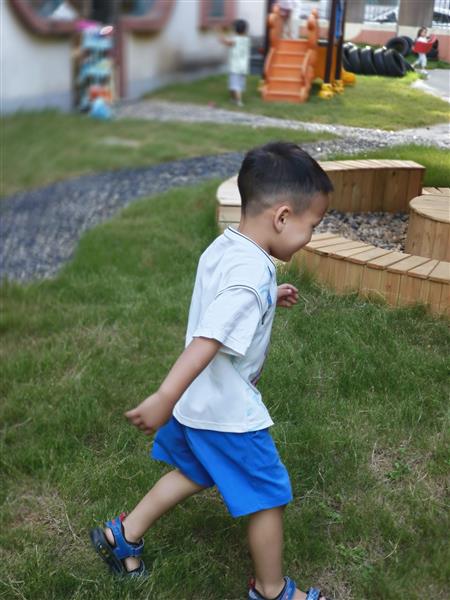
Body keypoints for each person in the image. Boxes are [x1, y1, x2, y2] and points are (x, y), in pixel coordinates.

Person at [90, 142, 334, 600]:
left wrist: (267, 295)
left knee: (195, 471)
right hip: (226, 409)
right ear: (283, 217)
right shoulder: (248, 278)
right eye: (313, 226)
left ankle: (122, 534)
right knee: (268, 494)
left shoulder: (228, 247)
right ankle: (272, 590)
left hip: (199, 401)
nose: (311, 237)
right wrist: (164, 396)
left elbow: (227, 299)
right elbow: (209, 338)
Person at [219, 19, 251, 107]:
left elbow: (226, 42)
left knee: (234, 85)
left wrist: (221, 33)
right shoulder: (246, 39)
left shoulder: (235, 40)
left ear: (235, 30)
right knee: (237, 84)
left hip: (235, 67)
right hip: (243, 67)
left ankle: (239, 101)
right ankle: (233, 99)